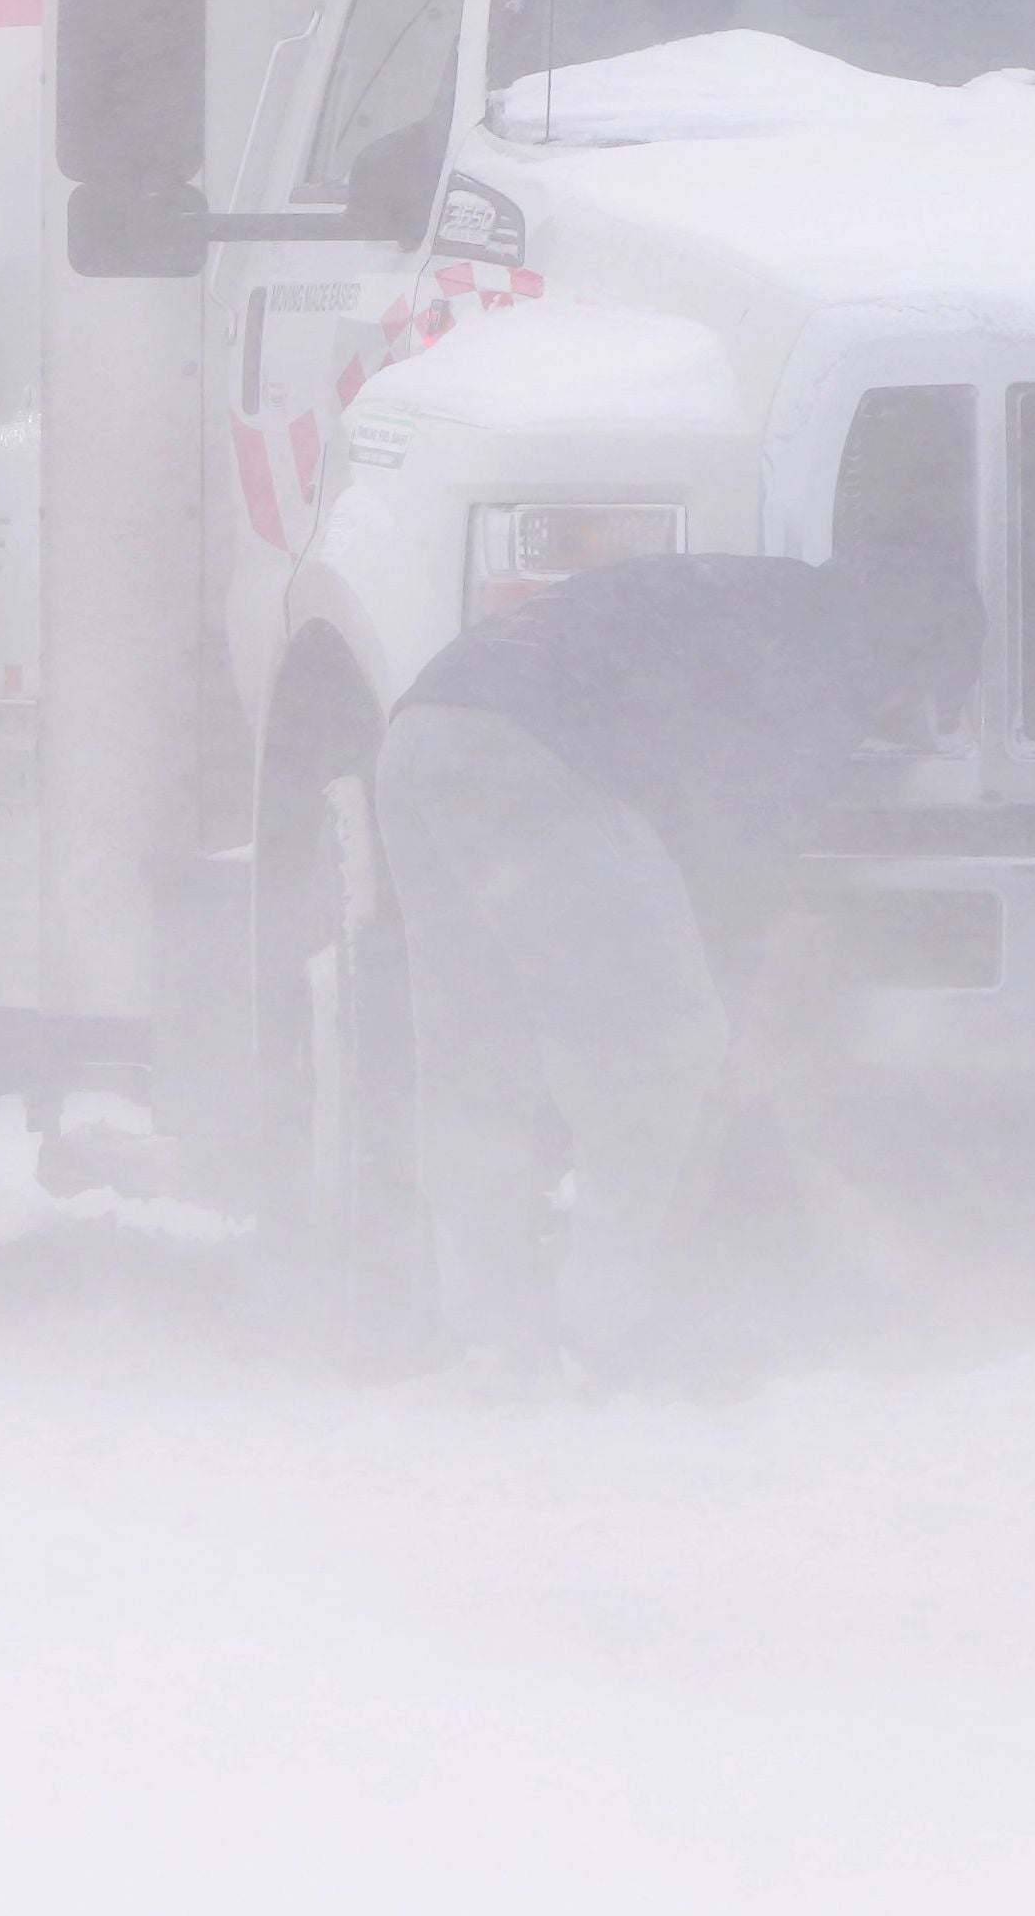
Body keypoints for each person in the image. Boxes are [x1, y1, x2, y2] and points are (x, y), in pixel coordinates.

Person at [370, 542, 985, 1383]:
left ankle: (486, 1325)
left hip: (421, 734)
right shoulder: (827, 661)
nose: (900, 725)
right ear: (911, 653)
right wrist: (736, 993)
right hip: (536, 754)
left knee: (478, 1046)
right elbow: (743, 847)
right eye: (919, 704)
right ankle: (609, 1326)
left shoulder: (761, 599)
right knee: (663, 1045)